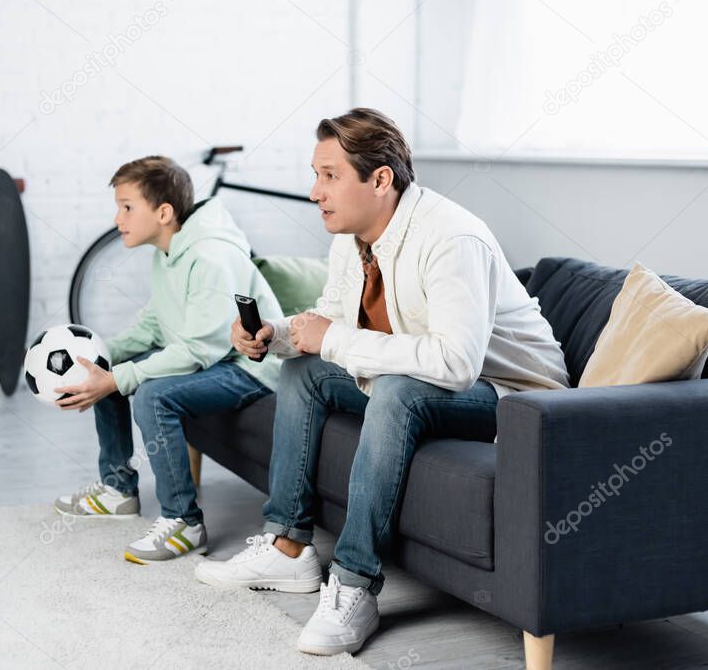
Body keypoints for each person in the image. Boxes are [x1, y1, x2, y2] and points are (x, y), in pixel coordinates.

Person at [194, 109, 569, 655]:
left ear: (380, 179)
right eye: (315, 174)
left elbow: (456, 363)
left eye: (329, 175)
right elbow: (329, 322)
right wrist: (273, 335)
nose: (315, 191)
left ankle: (354, 584)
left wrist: (331, 339)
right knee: (302, 372)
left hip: (511, 395)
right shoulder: (351, 237)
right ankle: (289, 547)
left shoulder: (451, 237)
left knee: (394, 390)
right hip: (429, 376)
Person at [52, 155, 283, 565]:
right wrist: (95, 357)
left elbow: (199, 350)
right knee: (108, 372)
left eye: (127, 207)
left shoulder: (209, 257)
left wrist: (121, 379)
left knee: (150, 396)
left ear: (163, 212)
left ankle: (184, 521)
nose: (117, 217)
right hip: (215, 359)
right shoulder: (167, 253)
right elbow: (154, 328)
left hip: (249, 368)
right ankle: (118, 490)